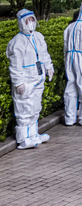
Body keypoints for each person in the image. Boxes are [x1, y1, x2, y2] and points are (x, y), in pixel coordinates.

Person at [6, 9, 54, 149]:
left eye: (32, 20)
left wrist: (48, 67)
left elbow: (44, 54)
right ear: (22, 23)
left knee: (35, 108)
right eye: (28, 21)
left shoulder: (38, 37)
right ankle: (23, 139)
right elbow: (15, 66)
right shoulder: (17, 42)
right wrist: (18, 82)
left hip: (38, 79)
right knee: (24, 110)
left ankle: (33, 134)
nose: (31, 23)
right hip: (26, 82)